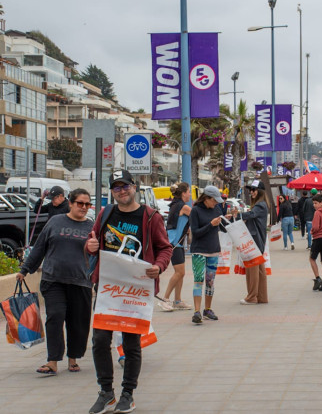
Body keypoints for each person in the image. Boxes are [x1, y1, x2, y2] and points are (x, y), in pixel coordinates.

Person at [85, 169, 173, 414]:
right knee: (100, 340)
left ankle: (127, 394)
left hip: (136, 289)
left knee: (131, 343)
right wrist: (90, 245)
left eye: (125, 186)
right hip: (107, 287)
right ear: (112, 192)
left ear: (134, 187)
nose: (122, 191)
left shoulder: (150, 216)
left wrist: (159, 266)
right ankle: (106, 393)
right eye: (116, 187)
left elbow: (165, 248)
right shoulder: (106, 213)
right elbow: (93, 242)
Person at [18, 188, 94, 375]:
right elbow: (40, 248)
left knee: (77, 322)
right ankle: (52, 361)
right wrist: (25, 270)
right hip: (53, 280)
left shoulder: (92, 227)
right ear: (71, 203)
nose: (83, 207)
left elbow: (99, 255)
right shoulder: (55, 222)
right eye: (80, 203)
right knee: (55, 317)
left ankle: (73, 359)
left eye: (87, 204)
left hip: (81, 281)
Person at [189, 185, 227, 324]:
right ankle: (197, 311)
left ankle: (208, 309)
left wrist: (228, 220)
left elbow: (222, 229)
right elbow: (196, 232)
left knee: (210, 282)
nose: (216, 203)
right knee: (198, 280)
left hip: (214, 250)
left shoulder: (216, 209)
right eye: (214, 200)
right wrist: (211, 224)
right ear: (206, 198)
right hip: (199, 250)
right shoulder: (195, 211)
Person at [158, 182, 193, 312]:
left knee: (181, 273)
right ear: (183, 193)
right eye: (189, 192)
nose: (190, 194)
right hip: (174, 243)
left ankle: (177, 300)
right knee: (180, 272)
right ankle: (165, 299)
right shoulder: (183, 207)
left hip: (177, 243)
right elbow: (198, 216)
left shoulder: (175, 204)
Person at [233, 180, 269, 305]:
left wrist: (237, 215)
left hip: (254, 240)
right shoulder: (261, 205)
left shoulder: (260, 205)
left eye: (254, 190)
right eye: (251, 190)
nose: (251, 192)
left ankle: (252, 297)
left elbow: (251, 215)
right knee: (259, 269)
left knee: (253, 268)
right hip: (258, 240)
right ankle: (262, 297)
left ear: (260, 191)